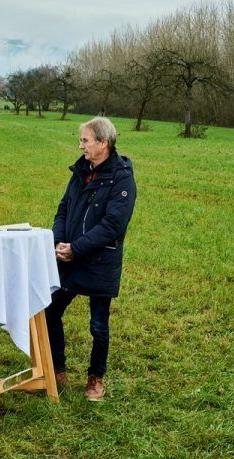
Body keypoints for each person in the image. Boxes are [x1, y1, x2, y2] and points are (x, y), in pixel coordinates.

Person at [46, 117, 137, 401]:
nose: (81, 145)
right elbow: (63, 208)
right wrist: (58, 240)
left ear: (103, 143)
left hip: (99, 261)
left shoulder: (122, 177)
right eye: (81, 140)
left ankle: (95, 379)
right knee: (50, 312)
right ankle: (56, 371)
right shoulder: (81, 171)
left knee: (98, 324)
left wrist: (78, 247)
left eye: (85, 140)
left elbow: (113, 225)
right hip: (69, 257)